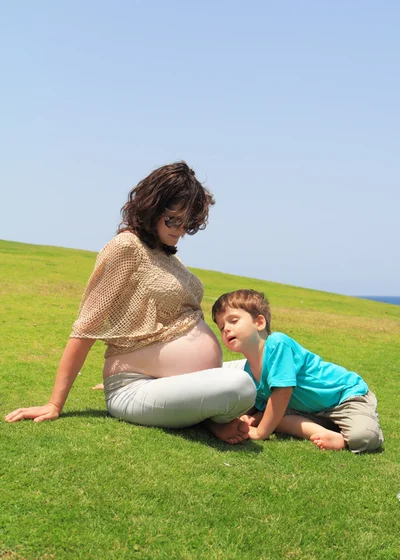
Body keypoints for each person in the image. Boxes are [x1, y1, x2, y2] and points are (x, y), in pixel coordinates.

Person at [5, 162, 256, 444]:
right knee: (242, 384)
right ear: (152, 208)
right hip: (137, 388)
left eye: (188, 222)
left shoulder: (168, 256)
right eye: (173, 220)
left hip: (175, 383)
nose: (181, 229)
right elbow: (85, 327)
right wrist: (54, 404)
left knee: (267, 365)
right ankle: (215, 417)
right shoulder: (126, 247)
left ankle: (212, 415)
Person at [212, 289, 384, 452]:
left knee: (364, 437)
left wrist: (260, 432)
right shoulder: (249, 370)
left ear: (259, 322)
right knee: (275, 418)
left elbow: (282, 393)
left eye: (233, 321)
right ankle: (323, 430)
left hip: (344, 398)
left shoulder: (278, 344)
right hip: (306, 409)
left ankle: (343, 440)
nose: (226, 328)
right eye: (221, 327)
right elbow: (265, 404)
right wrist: (250, 419)